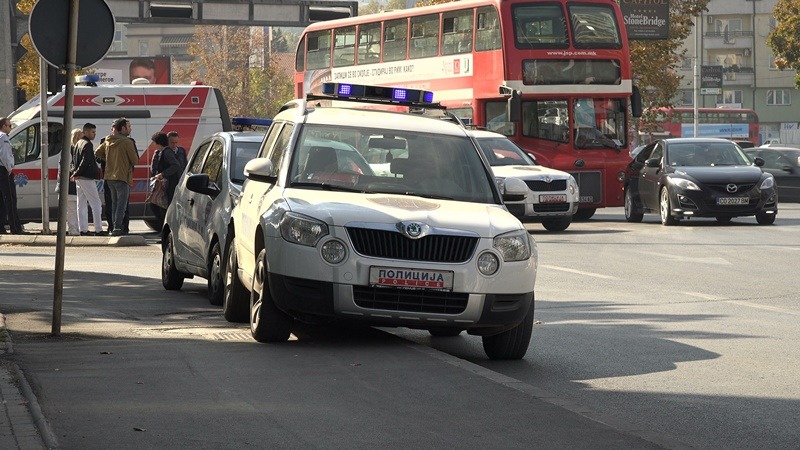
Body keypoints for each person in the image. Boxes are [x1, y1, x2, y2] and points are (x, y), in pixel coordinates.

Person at [95, 118, 138, 236]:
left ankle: (114, 227)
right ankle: (118, 227)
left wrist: (109, 160)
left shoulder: (108, 140)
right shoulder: (127, 142)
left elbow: (97, 153)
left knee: (114, 203)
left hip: (109, 176)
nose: (130, 129)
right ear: (123, 128)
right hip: (122, 176)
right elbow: (134, 160)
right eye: (129, 126)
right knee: (122, 205)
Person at [71, 123, 105, 236]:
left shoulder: (78, 143)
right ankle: (99, 229)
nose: (94, 134)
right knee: (96, 203)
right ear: (85, 132)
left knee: (81, 204)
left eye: (95, 132)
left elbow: (75, 161)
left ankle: (83, 229)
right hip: (86, 177)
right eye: (92, 132)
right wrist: (77, 173)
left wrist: (75, 173)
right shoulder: (88, 144)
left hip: (80, 178)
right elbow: (86, 161)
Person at [149, 131, 182, 224]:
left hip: (169, 185)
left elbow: (176, 165)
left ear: (158, 143)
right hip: (166, 185)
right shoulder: (162, 152)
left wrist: (162, 174)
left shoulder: (167, 152)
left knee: (161, 207)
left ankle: (166, 228)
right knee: (157, 206)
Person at [0, 117, 25, 234]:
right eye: (9, 125)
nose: (10, 128)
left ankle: (1, 227)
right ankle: (15, 227)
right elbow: (5, 155)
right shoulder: (3, 137)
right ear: (3, 126)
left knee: (2, 200)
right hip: (3, 171)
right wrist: (9, 168)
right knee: (10, 199)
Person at [59, 128, 82, 236]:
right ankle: (74, 230)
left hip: (70, 183)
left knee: (73, 209)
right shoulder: (72, 150)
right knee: (73, 209)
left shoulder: (68, 150)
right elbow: (67, 168)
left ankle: (75, 229)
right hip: (70, 183)